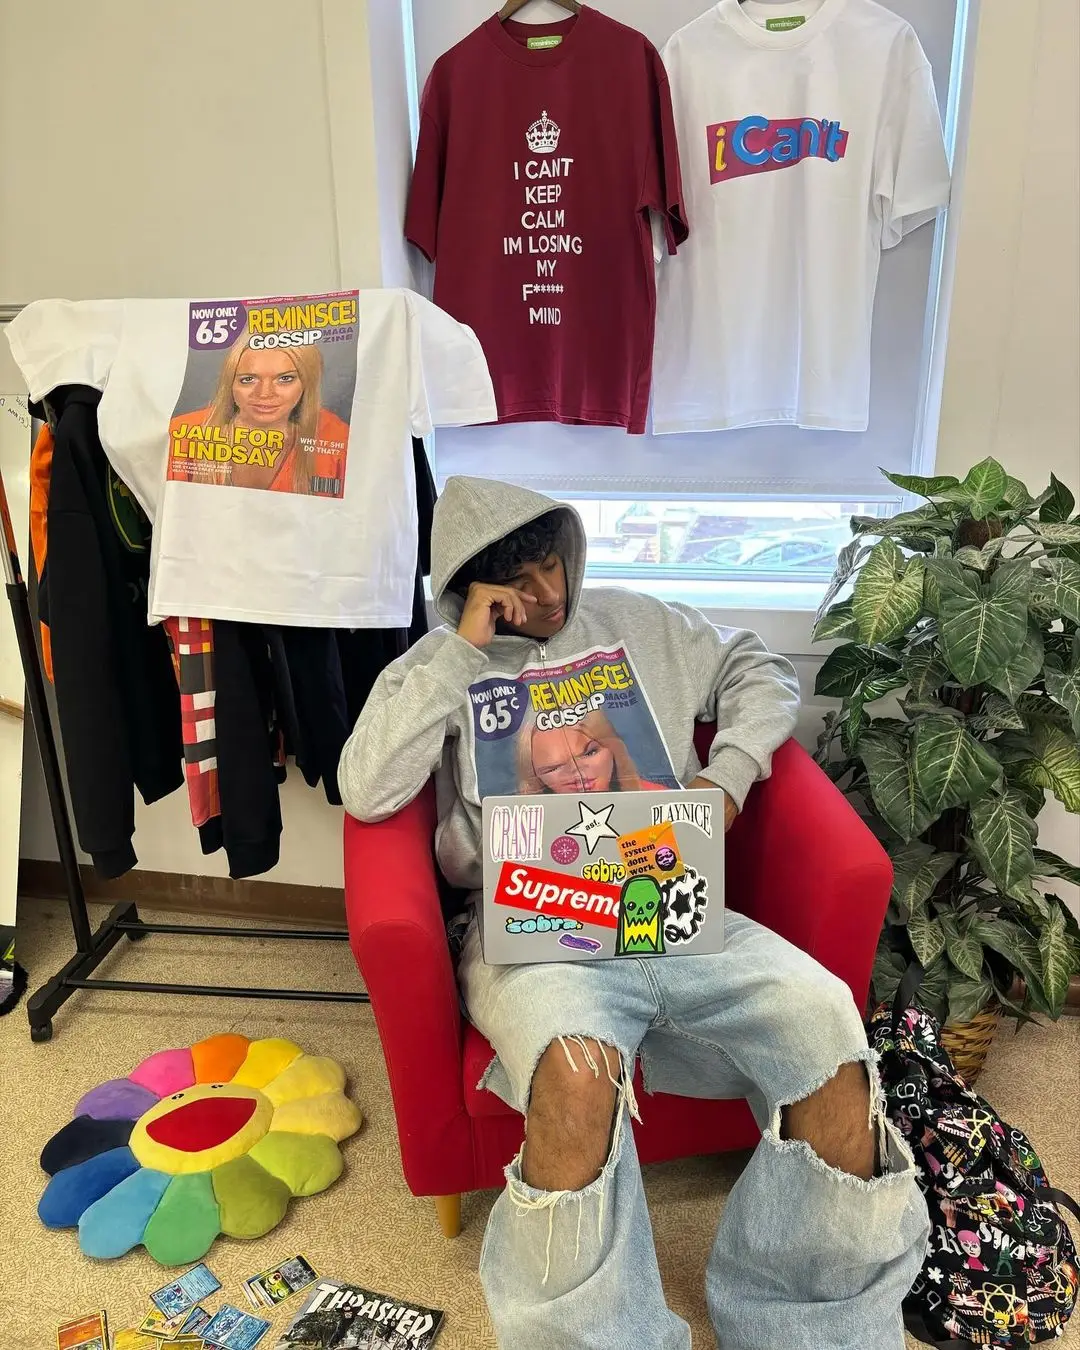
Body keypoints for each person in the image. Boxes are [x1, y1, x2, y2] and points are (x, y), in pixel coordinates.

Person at [338, 475, 929, 1350]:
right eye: (519, 585)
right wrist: (460, 653)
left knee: (829, 1028)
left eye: (553, 567)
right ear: (470, 588)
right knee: (576, 1069)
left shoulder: (638, 619)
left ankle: (809, 1327)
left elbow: (760, 669)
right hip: (530, 929)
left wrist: (727, 779)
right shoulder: (438, 663)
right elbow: (366, 788)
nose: (548, 595)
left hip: (673, 902)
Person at [168, 333, 349, 495]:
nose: (264, 393)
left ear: (306, 383)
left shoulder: (337, 437)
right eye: (248, 379)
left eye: (285, 379)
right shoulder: (182, 433)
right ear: (230, 383)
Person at [516, 707, 667, 794]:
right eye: (554, 768)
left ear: (613, 747)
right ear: (534, 778)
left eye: (590, 753)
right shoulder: (523, 827)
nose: (578, 773)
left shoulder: (656, 797)